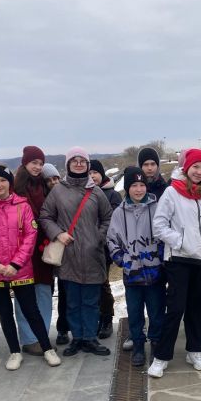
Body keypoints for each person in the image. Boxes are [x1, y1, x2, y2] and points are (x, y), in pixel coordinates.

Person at [0, 164, 61, 370]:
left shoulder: (23, 206)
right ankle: (14, 351)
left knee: (31, 309)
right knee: (5, 312)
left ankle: (47, 348)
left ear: (10, 183)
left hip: (20, 269)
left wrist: (14, 263)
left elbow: (30, 235)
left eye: (2, 180)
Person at [149, 149, 201, 378]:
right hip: (179, 259)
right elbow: (159, 226)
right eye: (196, 167)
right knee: (176, 308)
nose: (199, 172)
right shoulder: (172, 192)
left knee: (198, 307)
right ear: (186, 168)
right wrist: (181, 241)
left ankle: (195, 350)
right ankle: (161, 357)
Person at [40, 147, 113, 357]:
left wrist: (98, 237)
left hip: (92, 255)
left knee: (91, 301)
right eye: (75, 161)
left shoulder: (96, 192)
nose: (79, 164)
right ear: (68, 164)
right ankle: (77, 338)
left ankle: (90, 338)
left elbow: (108, 217)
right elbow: (45, 216)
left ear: (88, 165)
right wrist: (58, 234)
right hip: (69, 255)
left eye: (83, 161)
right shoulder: (58, 191)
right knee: (72, 301)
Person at [107, 166, 166, 367]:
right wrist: (122, 259)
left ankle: (156, 343)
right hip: (132, 273)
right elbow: (112, 240)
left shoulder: (157, 208)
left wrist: (159, 256)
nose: (139, 189)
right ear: (127, 188)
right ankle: (138, 345)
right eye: (134, 185)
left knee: (157, 311)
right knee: (134, 312)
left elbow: (164, 233)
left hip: (154, 271)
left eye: (142, 185)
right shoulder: (119, 213)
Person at [12, 146, 54, 357]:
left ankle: (43, 335)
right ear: (25, 163)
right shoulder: (15, 187)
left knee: (44, 292)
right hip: (22, 249)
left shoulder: (44, 186)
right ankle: (29, 339)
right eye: (33, 163)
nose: (37, 167)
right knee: (24, 294)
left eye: (40, 163)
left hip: (43, 247)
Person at [89, 159, 122, 340]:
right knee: (90, 286)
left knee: (102, 284)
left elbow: (114, 222)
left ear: (102, 174)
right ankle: (94, 319)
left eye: (95, 172)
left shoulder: (112, 194)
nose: (92, 176)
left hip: (104, 246)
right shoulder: (82, 193)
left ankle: (106, 319)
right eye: (89, 173)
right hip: (85, 248)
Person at [40, 162, 70, 345]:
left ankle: (63, 328)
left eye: (55, 178)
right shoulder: (40, 199)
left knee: (65, 292)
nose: (53, 182)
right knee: (47, 292)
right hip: (43, 250)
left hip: (63, 248)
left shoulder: (65, 195)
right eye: (48, 179)